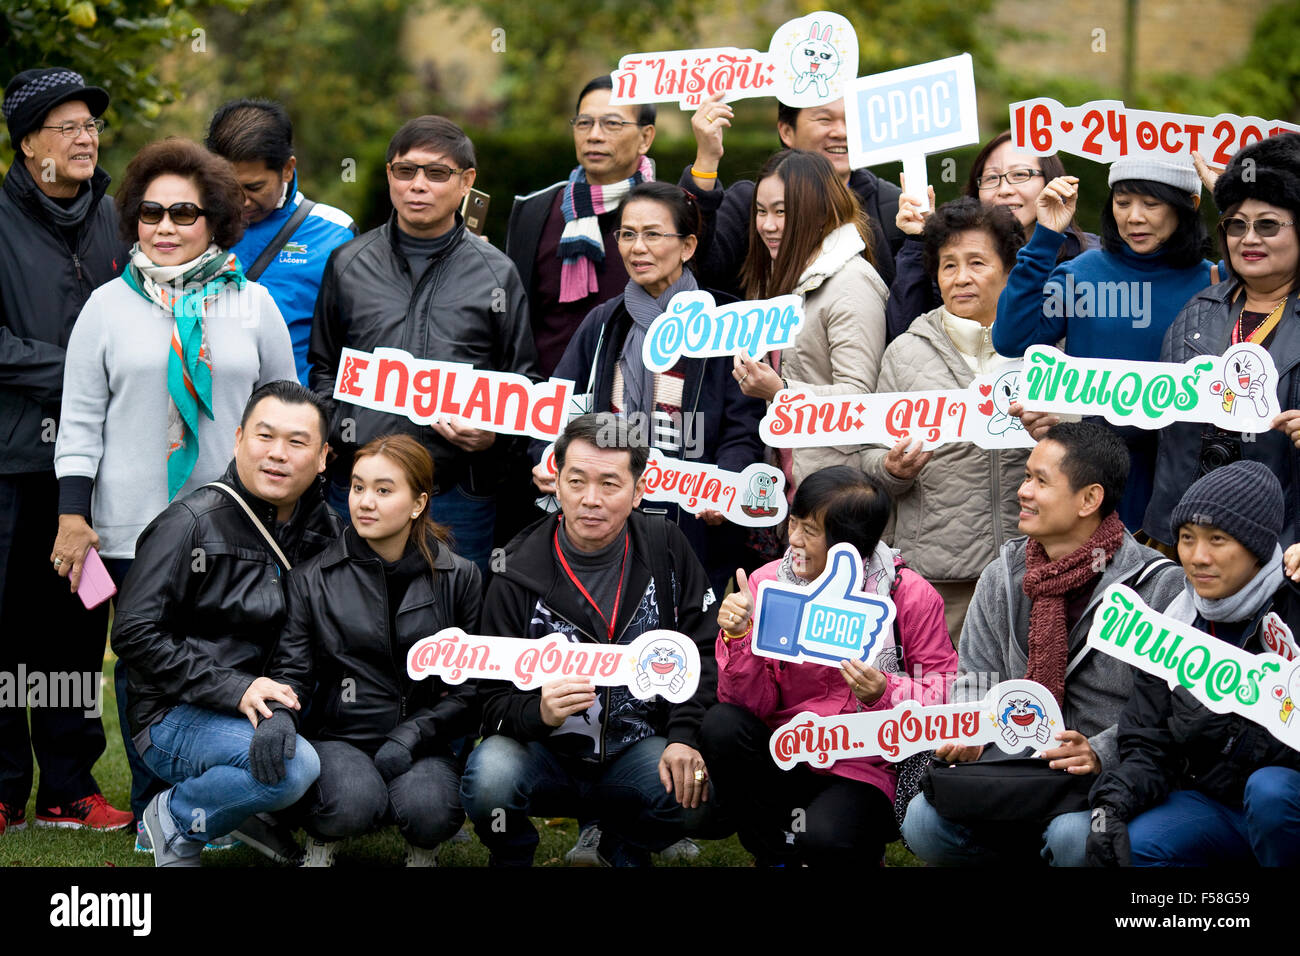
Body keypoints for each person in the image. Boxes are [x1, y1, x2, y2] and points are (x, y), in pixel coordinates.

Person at [54, 137, 297, 837]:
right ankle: (153, 806)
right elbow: (78, 423)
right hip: (127, 528)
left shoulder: (254, 305)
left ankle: (224, 798)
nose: (164, 227)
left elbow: (282, 411)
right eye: (151, 212)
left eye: (184, 214)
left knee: (225, 657)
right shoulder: (105, 308)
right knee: (143, 665)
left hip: (234, 530)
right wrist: (74, 518)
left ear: (216, 222)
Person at [901, 421, 1185, 866]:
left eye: (1040, 480)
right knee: (922, 821)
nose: (1023, 491)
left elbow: (1166, 711)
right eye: (1026, 476)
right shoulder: (1006, 572)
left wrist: (1100, 751)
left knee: (1074, 836)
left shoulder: (1157, 586)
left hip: (1101, 775)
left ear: (1089, 499)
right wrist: (971, 731)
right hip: (1015, 764)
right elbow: (975, 675)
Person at [460, 413, 719, 866]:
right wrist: (536, 711)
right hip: (542, 753)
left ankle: (621, 841)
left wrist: (683, 736)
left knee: (694, 790)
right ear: (555, 482)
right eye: (576, 481)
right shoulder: (514, 566)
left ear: (639, 491)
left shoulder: (666, 546)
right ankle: (513, 850)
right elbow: (489, 697)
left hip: (637, 749)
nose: (590, 500)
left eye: (610, 484)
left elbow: (700, 649)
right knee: (490, 778)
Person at [111, 381, 344, 866]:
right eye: (264, 436)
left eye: (297, 442)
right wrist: (236, 688)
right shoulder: (191, 523)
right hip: (174, 713)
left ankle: (243, 812)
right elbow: (133, 632)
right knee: (293, 767)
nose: (278, 454)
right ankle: (172, 819)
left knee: (342, 769)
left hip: (277, 706)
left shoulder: (328, 531)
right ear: (238, 438)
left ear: (323, 457)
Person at [310, 114, 539, 575]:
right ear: (389, 174)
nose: (418, 185)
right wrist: (337, 429)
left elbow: (524, 383)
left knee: (451, 632)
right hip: (357, 489)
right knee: (346, 622)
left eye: (437, 173)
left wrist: (495, 434)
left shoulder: (497, 273)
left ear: (466, 182)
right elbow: (322, 368)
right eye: (405, 170)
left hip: (455, 493)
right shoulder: (347, 263)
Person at [700, 466, 954, 865]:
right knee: (722, 725)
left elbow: (944, 692)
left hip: (867, 764)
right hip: (786, 748)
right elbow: (749, 705)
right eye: (794, 523)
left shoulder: (909, 595)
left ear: (850, 546)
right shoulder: (769, 584)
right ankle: (773, 854)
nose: (794, 541)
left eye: (810, 532)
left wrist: (884, 693)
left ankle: (853, 849)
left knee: (825, 838)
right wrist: (739, 637)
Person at [0, 67, 131, 835]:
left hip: (94, 476)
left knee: (78, 632)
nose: (86, 140)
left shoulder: (119, 218)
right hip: (14, 465)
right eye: (69, 127)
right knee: (7, 630)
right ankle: (3, 785)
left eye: (92, 127)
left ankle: (68, 788)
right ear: (27, 145)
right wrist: (82, 376)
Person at [538, 181, 766, 593]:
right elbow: (560, 409)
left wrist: (727, 486)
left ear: (688, 246)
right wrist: (548, 458)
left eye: (653, 234)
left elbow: (742, 427)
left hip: (693, 518)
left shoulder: (726, 323)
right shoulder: (605, 322)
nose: (636, 247)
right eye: (627, 234)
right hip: (607, 512)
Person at [272, 434, 481, 867]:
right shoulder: (311, 578)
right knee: (351, 802)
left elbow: (471, 688)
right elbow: (293, 672)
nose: (365, 501)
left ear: (418, 503)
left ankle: (423, 844)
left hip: (423, 742)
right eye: (357, 486)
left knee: (430, 810)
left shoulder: (461, 577)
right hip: (339, 740)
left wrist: (412, 735)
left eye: (384, 490)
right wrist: (280, 718)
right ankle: (325, 834)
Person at [1090, 460, 1300, 866]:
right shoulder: (1175, 620)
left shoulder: (1294, 602)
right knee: (1134, 845)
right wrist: (1110, 807)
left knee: (1270, 792)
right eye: (1187, 538)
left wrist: (1235, 737)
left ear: (1256, 546)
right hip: (1218, 805)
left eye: (1217, 539)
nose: (1198, 556)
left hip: (1281, 803)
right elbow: (1146, 741)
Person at [992, 158, 1216, 532]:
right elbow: (1012, 338)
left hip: (1183, 484)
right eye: (1124, 202)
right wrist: (1046, 236)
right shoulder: (1082, 273)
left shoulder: (1213, 281)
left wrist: (1230, 199)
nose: (1135, 217)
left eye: (1152, 204)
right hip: (1091, 482)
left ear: (1188, 206)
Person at [862, 198, 1029, 638]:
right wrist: (892, 469)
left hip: (1028, 566)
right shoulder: (904, 352)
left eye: (977, 262)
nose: (962, 278)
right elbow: (869, 459)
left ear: (1009, 269)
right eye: (949, 265)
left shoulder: (1043, 349)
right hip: (936, 573)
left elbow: (1077, 444)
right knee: (943, 695)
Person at [1146, 133, 1300, 546]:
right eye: (1236, 225)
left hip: (1280, 549)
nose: (1248, 239)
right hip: (1184, 541)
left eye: (1268, 225)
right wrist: (1060, 414)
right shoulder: (1198, 310)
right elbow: (1149, 416)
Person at [731, 148, 890, 486]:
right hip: (780, 487)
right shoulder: (771, 277)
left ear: (818, 213)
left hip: (835, 490)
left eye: (782, 212)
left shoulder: (852, 282)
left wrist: (782, 390)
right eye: (760, 212)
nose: (768, 225)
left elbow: (863, 398)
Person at [506, 76, 656, 379]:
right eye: (584, 123)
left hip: (631, 405)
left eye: (612, 124)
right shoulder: (535, 210)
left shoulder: (667, 214)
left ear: (645, 137)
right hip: (543, 405)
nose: (595, 135)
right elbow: (515, 319)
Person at [885, 130, 1096, 341]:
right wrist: (920, 239)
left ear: (1052, 181)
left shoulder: (1089, 259)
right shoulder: (954, 261)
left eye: (1020, 175)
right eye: (991, 178)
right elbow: (906, 335)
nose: (1004, 190)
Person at [681, 94, 903, 291]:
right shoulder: (747, 204)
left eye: (851, 119)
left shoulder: (894, 207)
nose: (841, 132)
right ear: (787, 131)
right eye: (824, 119)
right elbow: (694, 260)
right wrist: (707, 158)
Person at [205, 98, 357, 383]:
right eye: (228, 186)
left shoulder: (335, 233)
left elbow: (354, 341)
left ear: (287, 169)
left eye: (254, 187)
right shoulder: (189, 224)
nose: (241, 201)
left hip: (292, 415)